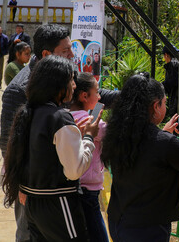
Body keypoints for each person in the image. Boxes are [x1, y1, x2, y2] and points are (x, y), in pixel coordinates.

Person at [0, 24, 120, 242]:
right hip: (49, 195)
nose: (73, 55)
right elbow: (9, 144)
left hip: (37, 194)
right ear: (47, 55)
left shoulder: (39, 102)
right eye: (66, 51)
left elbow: (95, 93)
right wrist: (87, 138)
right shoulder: (22, 94)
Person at [1, 56, 100, 241]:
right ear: (58, 85)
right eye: (71, 80)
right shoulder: (60, 118)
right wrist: (88, 137)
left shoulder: (28, 112)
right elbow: (74, 170)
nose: (74, 85)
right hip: (58, 203)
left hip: (33, 204)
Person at [102, 73, 179, 242]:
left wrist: (163, 133)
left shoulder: (118, 134)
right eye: (165, 102)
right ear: (155, 106)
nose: (166, 107)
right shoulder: (164, 143)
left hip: (118, 221)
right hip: (148, 228)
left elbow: (146, 151)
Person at [69, 72, 109, 242]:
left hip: (71, 187)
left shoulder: (65, 116)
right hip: (89, 190)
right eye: (97, 92)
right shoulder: (92, 122)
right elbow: (112, 134)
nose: (99, 96)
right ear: (85, 96)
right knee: (99, 236)